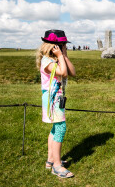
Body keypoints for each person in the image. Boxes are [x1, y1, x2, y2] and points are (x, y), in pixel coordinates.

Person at [36, 29, 76, 178]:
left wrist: (64, 56)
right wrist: (60, 56)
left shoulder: (57, 58)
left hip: (56, 97)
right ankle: (57, 166)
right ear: (54, 46)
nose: (65, 46)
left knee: (55, 127)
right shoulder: (47, 61)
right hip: (52, 98)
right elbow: (63, 73)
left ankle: (50, 160)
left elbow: (72, 72)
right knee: (60, 127)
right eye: (63, 44)